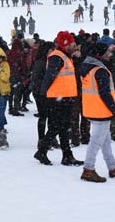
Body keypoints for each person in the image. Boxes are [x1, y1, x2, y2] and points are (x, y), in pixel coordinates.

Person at [34, 31, 84, 167]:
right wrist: (43, 94)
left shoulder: (66, 57)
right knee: (57, 126)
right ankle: (43, 150)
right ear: (66, 44)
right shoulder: (58, 57)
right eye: (73, 44)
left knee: (64, 127)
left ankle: (67, 155)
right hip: (57, 98)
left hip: (65, 97)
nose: (75, 46)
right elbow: (49, 76)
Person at [79, 43, 115, 183]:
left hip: (92, 108)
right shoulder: (100, 70)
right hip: (101, 110)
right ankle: (88, 169)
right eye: (107, 51)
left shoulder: (88, 67)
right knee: (96, 141)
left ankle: (112, 166)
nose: (110, 53)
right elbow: (105, 94)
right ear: (100, 54)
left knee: (105, 140)